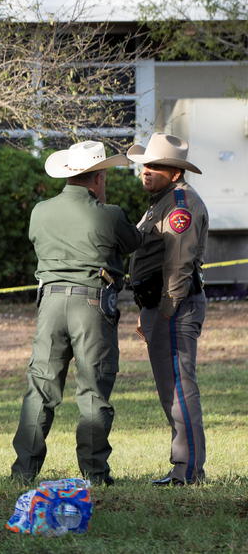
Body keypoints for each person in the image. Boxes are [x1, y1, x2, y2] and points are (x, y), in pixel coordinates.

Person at [11, 140, 141, 486]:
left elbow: (35, 241)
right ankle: (95, 472)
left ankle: (24, 470)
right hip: (91, 303)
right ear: (98, 177)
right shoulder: (109, 214)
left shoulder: (40, 211)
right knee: (93, 388)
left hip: (50, 302)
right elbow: (134, 243)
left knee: (41, 386)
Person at [127, 133, 208, 486]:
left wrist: (163, 312)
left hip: (173, 306)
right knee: (170, 388)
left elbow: (178, 265)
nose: (146, 170)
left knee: (179, 386)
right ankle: (184, 467)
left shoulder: (178, 205)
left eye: (156, 165)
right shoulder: (160, 201)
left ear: (175, 172)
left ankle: (187, 470)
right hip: (158, 304)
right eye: (145, 164)